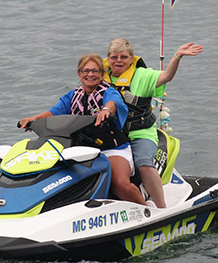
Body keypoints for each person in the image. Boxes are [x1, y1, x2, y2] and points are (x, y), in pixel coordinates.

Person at [20, 54, 147, 206]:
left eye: (95, 71)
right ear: (79, 74)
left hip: (112, 150)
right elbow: (53, 112)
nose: (90, 75)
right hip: (81, 152)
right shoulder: (73, 96)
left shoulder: (109, 92)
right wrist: (33, 120)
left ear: (102, 74)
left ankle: (147, 211)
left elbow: (113, 103)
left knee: (120, 183)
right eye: (86, 71)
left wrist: (106, 110)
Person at [103, 38, 204, 208]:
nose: (118, 61)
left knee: (143, 163)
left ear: (131, 58)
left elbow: (166, 76)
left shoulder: (143, 75)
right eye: (114, 57)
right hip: (112, 134)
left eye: (123, 57)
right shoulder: (100, 76)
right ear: (108, 58)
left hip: (140, 133)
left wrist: (177, 56)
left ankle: (161, 206)